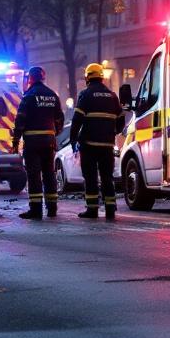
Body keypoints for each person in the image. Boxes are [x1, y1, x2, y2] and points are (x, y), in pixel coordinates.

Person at [69, 63, 126, 221]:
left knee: (91, 177)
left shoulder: (85, 94)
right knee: (107, 176)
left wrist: (73, 139)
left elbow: (77, 120)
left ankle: (92, 209)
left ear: (87, 77)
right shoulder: (112, 96)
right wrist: (114, 132)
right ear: (101, 77)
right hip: (107, 145)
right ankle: (110, 209)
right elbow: (121, 119)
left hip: (89, 145)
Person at [11, 65, 64, 219]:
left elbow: (20, 120)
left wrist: (16, 141)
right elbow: (59, 118)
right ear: (43, 78)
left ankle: (36, 210)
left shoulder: (28, 96)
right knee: (49, 174)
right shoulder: (52, 95)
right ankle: (52, 208)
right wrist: (55, 133)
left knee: (34, 175)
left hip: (33, 142)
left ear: (31, 79)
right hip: (49, 141)